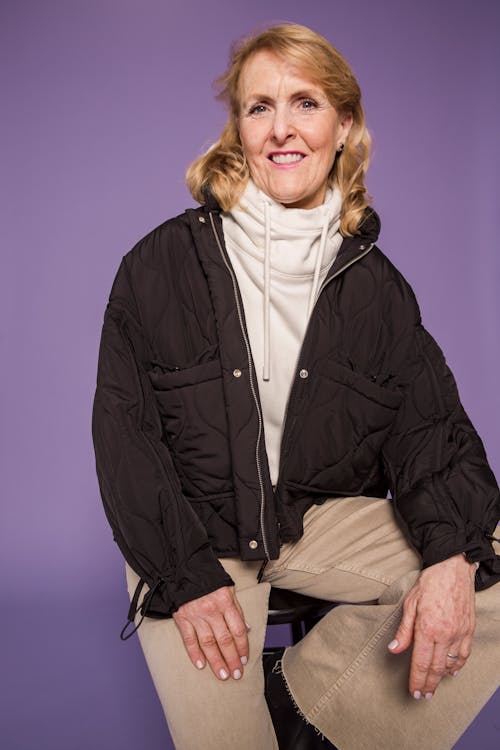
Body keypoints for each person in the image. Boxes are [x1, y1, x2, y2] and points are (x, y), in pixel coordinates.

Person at [91, 23, 500, 750]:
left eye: (305, 103)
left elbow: (432, 440)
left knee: (488, 553)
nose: (282, 129)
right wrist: (184, 579)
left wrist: (450, 562)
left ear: (344, 125)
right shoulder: (159, 266)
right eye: (259, 107)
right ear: (238, 128)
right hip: (197, 537)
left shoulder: (377, 291)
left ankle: (308, 709)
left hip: (306, 521)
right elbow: (125, 441)